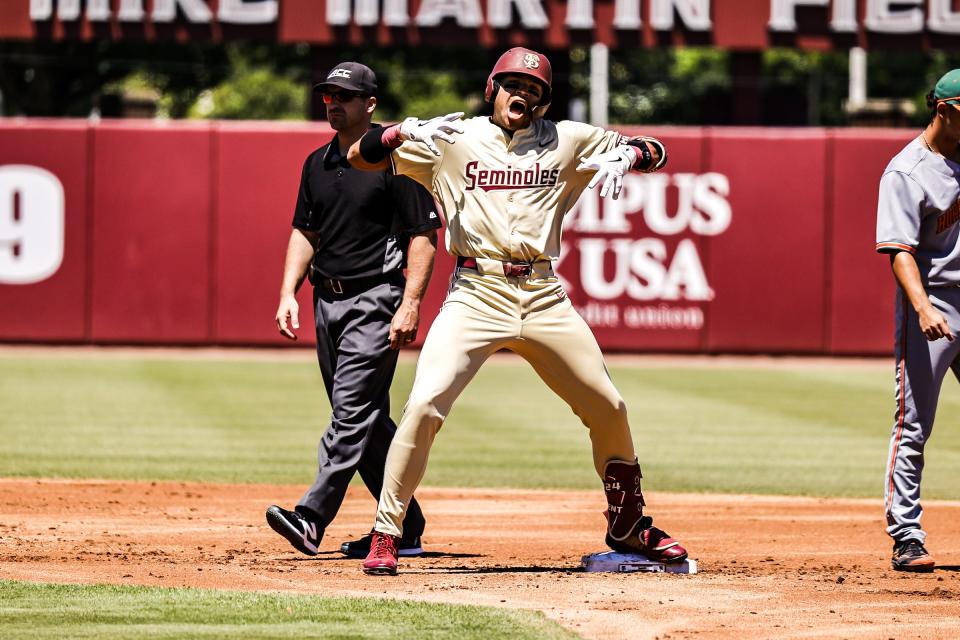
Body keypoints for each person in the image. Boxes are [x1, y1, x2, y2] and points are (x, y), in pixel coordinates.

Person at [346, 47, 688, 575]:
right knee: (424, 406)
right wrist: (394, 133)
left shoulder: (568, 139)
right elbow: (358, 157)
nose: (522, 94)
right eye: (511, 84)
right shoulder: (454, 139)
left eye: (534, 89)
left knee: (608, 407)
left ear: (544, 101)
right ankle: (387, 531)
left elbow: (658, 149)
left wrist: (635, 155)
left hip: (544, 293)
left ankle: (627, 521)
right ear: (492, 89)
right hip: (475, 291)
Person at [265, 61, 442, 560]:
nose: (333, 103)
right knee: (365, 422)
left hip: (375, 298)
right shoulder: (316, 162)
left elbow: (423, 237)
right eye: (328, 96)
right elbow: (306, 232)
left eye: (344, 96)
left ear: (370, 104)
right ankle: (406, 525)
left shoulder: (398, 159)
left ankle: (311, 518)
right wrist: (287, 292)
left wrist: (409, 304)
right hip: (327, 300)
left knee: (350, 414)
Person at [876, 69, 960, 573]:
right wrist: (923, 306)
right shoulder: (906, 170)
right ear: (945, 109)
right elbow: (899, 250)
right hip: (934, 305)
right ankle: (906, 533)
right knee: (913, 425)